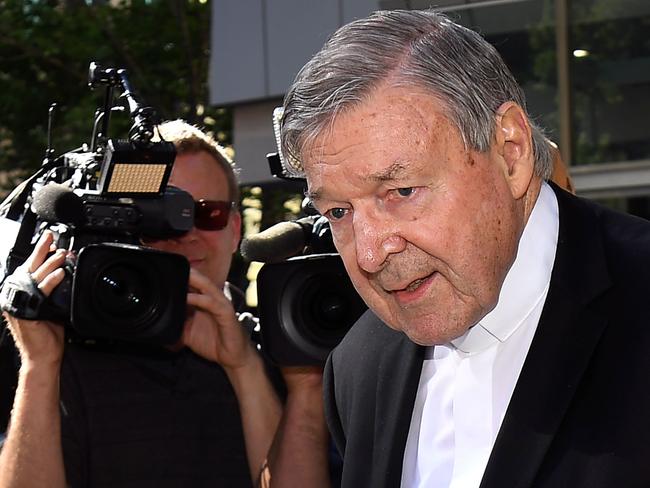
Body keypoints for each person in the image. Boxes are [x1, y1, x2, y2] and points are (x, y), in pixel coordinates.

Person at [278, 9, 650, 488]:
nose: (370, 254)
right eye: (339, 213)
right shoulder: (357, 366)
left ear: (511, 152)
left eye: (402, 192)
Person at [0, 120, 300, 487]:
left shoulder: (286, 349)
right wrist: (39, 367)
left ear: (235, 229)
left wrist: (244, 367)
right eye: (158, 218)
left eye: (205, 214)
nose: (183, 234)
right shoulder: (66, 354)